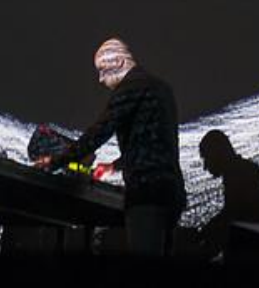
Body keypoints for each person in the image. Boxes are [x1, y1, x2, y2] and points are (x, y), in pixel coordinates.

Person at [34, 38, 186, 257]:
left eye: (103, 70)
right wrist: (113, 167)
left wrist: (56, 161)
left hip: (146, 192)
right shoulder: (162, 88)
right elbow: (153, 145)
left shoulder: (130, 88)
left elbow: (100, 131)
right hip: (172, 191)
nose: (100, 79)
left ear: (121, 62)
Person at [193, 129, 259, 259]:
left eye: (206, 158)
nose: (205, 167)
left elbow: (232, 215)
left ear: (217, 155)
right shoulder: (242, 170)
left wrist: (202, 237)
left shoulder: (236, 175)